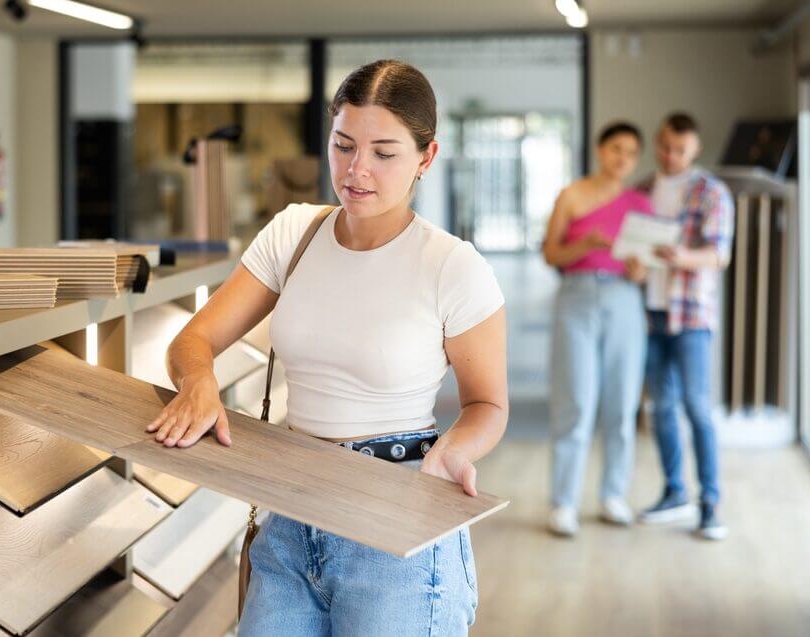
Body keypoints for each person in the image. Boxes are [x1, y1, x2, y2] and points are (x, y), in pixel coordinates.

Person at [146, 60, 508, 635]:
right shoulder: (295, 232)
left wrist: (456, 451)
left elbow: (487, 404)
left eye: (384, 153)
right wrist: (198, 382)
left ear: (426, 157)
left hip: (398, 525)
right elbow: (195, 338)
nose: (357, 170)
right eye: (344, 146)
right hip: (291, 516)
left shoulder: (452, 266)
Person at [541, 122, 652, 537]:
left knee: (622, 404)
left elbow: (642, 266)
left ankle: (613, 495)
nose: (622, 158)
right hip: (576, 298)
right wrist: (585, 246)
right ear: (600, 150)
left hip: (624, 300)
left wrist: (639, 270)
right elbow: (550, 253)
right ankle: (563, 503)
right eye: (616, 149)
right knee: (576, 402)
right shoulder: (571, 196)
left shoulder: (640, 203)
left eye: (631, 152)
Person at [636, 113, 734, 541]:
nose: (670, 155)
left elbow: (719, 254)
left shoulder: (712, 192)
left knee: (697, 408)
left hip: (691, 316)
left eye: (680, 149)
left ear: (693, 149)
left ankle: (709, 503)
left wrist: (680, 257)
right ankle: (675, 492)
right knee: (661, 409)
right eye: (665, 147)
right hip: (650, 314)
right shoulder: (642, 190)